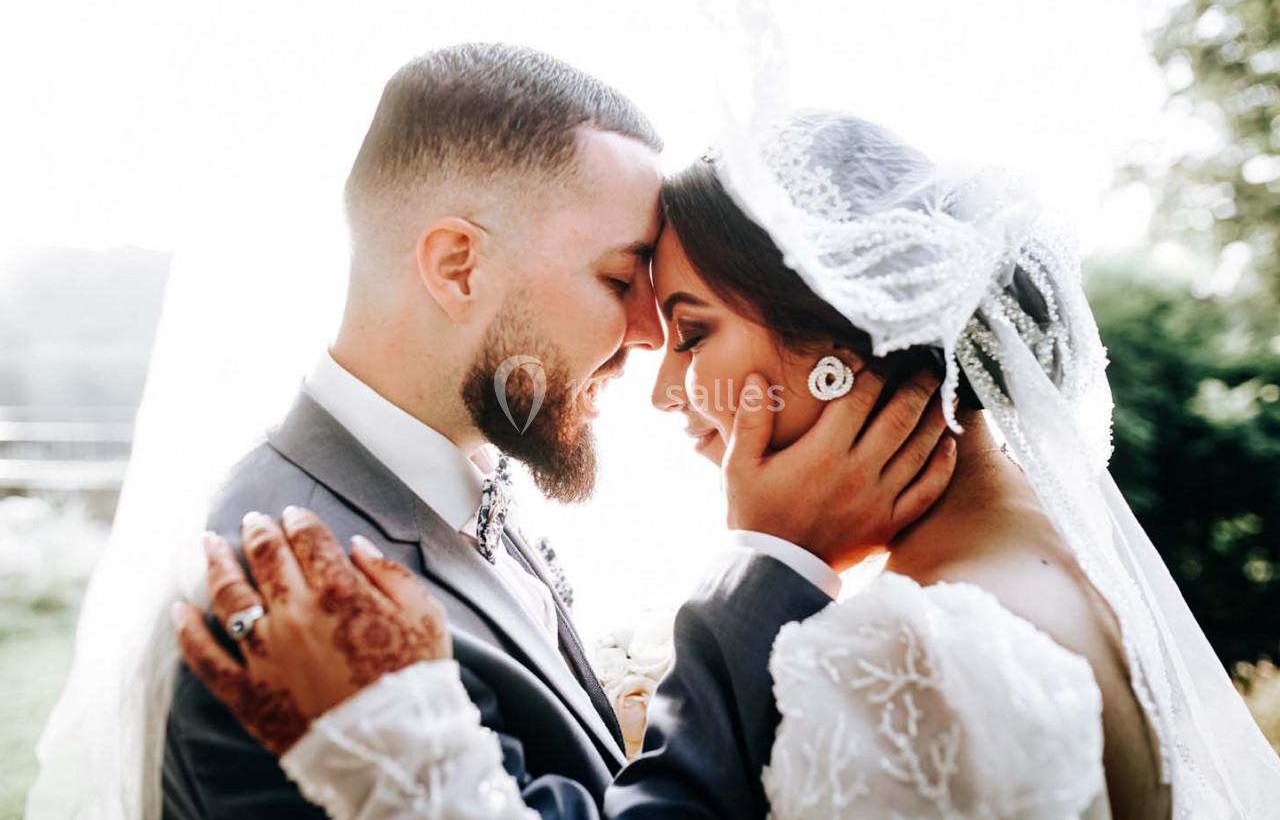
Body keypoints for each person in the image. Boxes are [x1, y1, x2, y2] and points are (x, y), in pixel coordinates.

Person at [176, 111, 1280, 819]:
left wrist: (397, 764)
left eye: (692, 328)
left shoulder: (909, 644)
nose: (659, 376)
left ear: (844, 349)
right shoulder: (1068, 568)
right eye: (628, 290)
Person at [160, 47, 956, 820]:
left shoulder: (448, 481)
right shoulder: (293, 595)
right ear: (459, 267)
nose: (650, 334)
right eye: (618, 279)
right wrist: (774, 561)